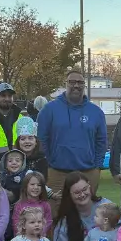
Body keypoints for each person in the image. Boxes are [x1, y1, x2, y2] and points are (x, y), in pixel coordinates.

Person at [38, 70, 108, 198]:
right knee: (56, 213)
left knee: (86, 213)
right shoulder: (49, 110)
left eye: (80, 82)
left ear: (84, 86)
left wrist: (97, 167)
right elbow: (42, 139)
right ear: (65, 84)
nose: (76, 85)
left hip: (88, 172)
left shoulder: (96, 112)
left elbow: (101, 142)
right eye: (72, 82)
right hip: (57, 172)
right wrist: (49, 162)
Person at [11, 172, 52, 239]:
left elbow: (48, 222)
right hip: (22, 240)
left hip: (39, 239)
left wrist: (40, 234)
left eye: (39, 185)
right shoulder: (19, 205)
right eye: (32, 184)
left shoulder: (45, 205)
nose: (36, 187)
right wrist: (26, 237)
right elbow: (16, 224)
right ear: (25, 186)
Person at [12, 115, 49, 181]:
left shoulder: (41, 160)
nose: (27, 141)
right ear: (18, 142)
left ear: (36, 141)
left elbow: (42, 181)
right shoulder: (13, 159)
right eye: (23, 139)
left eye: (30, 138)